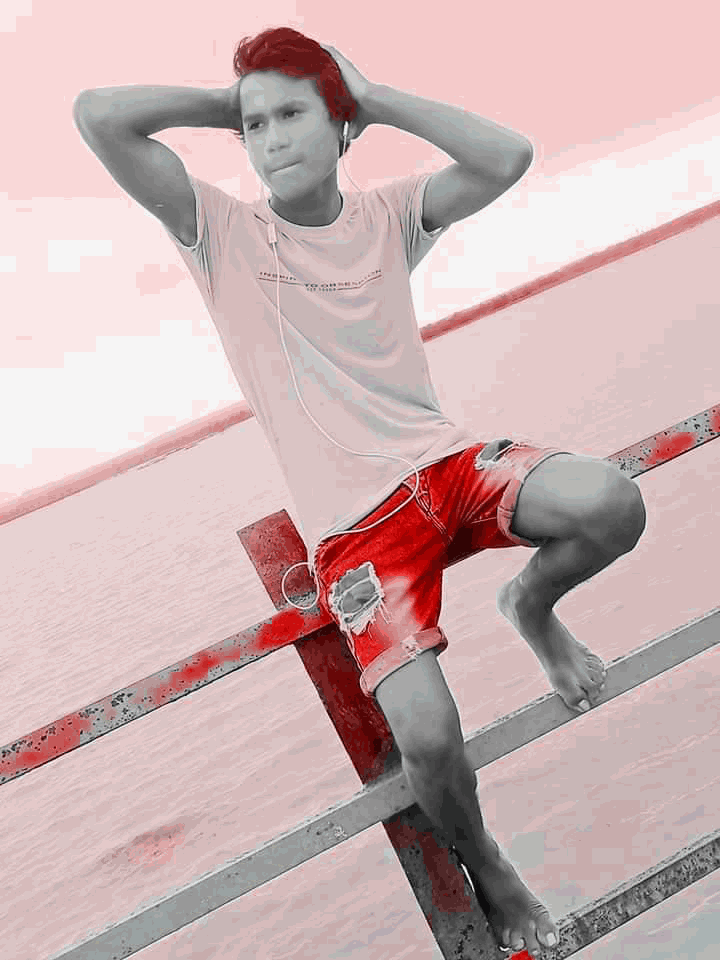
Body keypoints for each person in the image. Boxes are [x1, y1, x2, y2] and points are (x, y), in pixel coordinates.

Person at [72, 27, 647, 957]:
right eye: (256, 126)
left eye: (292, 114)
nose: (271, 140)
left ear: (339, 124)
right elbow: (98, 115)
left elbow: (506, 155)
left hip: (450, 470)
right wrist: (228, 104)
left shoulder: (390, 215)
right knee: (428, 734)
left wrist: (368, 96)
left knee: (612, 503)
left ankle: (532, 608)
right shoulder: (221, 233)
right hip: (358, 535)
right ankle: (489, 865)